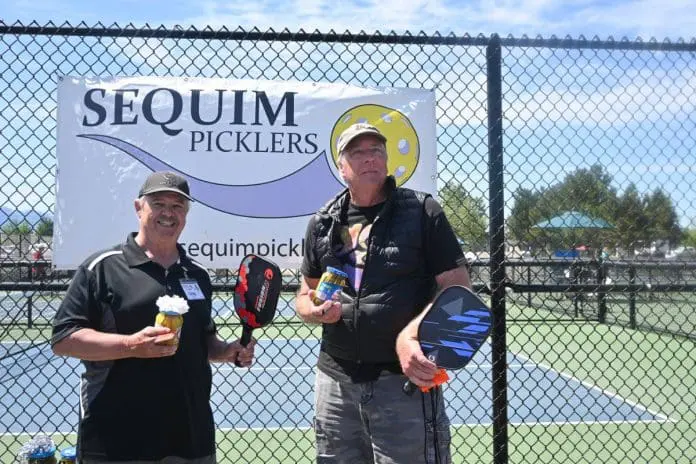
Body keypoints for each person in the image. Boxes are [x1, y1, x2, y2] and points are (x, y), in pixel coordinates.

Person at [295, 123, 471, 463]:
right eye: (357, 152)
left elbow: (458, 288)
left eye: (376, 150)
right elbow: (305, 294)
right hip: (335, 382)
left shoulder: (422, 212)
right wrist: (312, 310)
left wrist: (411, 334)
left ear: (387, 161)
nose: (369, 158)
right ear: (341, 166)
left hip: (403, 382)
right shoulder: (323, 221)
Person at [51, 171, 255, 464]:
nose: (168, 213)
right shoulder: (103, 268)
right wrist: (130, 346)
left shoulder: (196, 274)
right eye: (158, 203)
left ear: (186, 214)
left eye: (177, 206)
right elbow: (63, 339)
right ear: (139, 208)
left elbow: (204, 340)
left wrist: (226, 351)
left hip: (189, 437)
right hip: (117, 439)